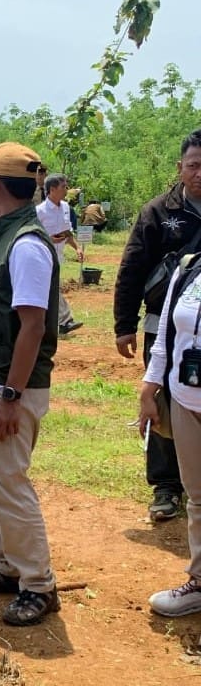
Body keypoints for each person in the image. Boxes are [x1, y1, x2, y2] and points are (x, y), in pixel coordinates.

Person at [0, 142, 62, 626]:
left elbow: (33, 327)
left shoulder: (25, 244)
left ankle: (38, 583)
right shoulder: (4, 237)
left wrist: (11, 397)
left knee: (9, 483)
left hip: (7, 387)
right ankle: (8, 566)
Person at [114, 130, 201, 522]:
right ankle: (167, 486)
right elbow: (132, 268)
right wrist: (123, 324)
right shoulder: (158, 213)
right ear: (180, 169)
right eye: (194, 165)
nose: (200, 173)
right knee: (164, 403)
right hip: (165, 327)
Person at [140, 255, 201, 616]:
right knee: (197, 498)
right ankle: (199, 581)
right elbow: (165, 336)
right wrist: (150, 386)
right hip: (184, 399)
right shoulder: (190, 267)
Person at [36, 173, 84, 336]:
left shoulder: (65, 208)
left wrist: (76, 247)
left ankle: (49, 322)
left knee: (47, 288)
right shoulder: (39, 211)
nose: (66, 190)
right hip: (42, 255)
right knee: (51, 287)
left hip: (58, 256)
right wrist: (48, 239)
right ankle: (64, 320)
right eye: (63, 187)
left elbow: (66, 232)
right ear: (52, 189)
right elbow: (33, 234)